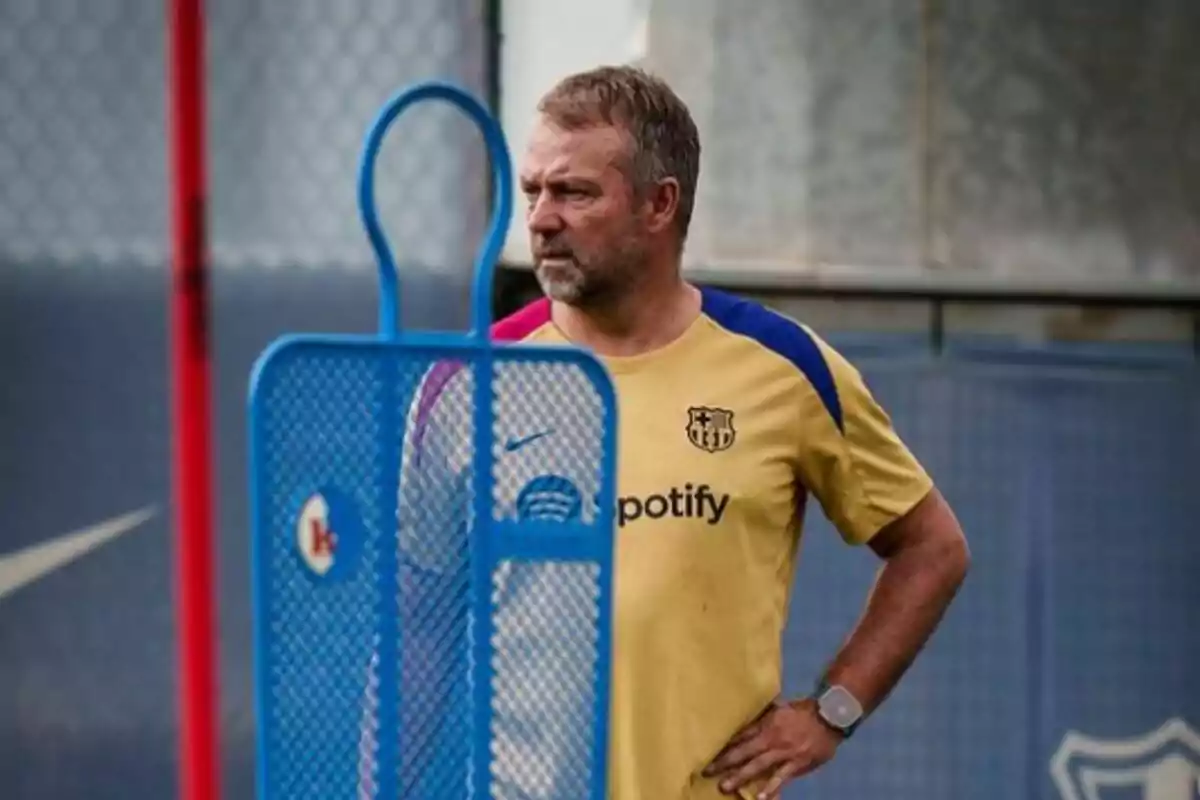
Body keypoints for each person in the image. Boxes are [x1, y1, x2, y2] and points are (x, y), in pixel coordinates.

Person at [366, 64, 971, 800]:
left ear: (659, 204)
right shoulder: (464, 385)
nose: (542, 218)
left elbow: (931, 548)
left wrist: (832, 711)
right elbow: (418, 635)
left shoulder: (785, 368)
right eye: (533, 192)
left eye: (574, 192)